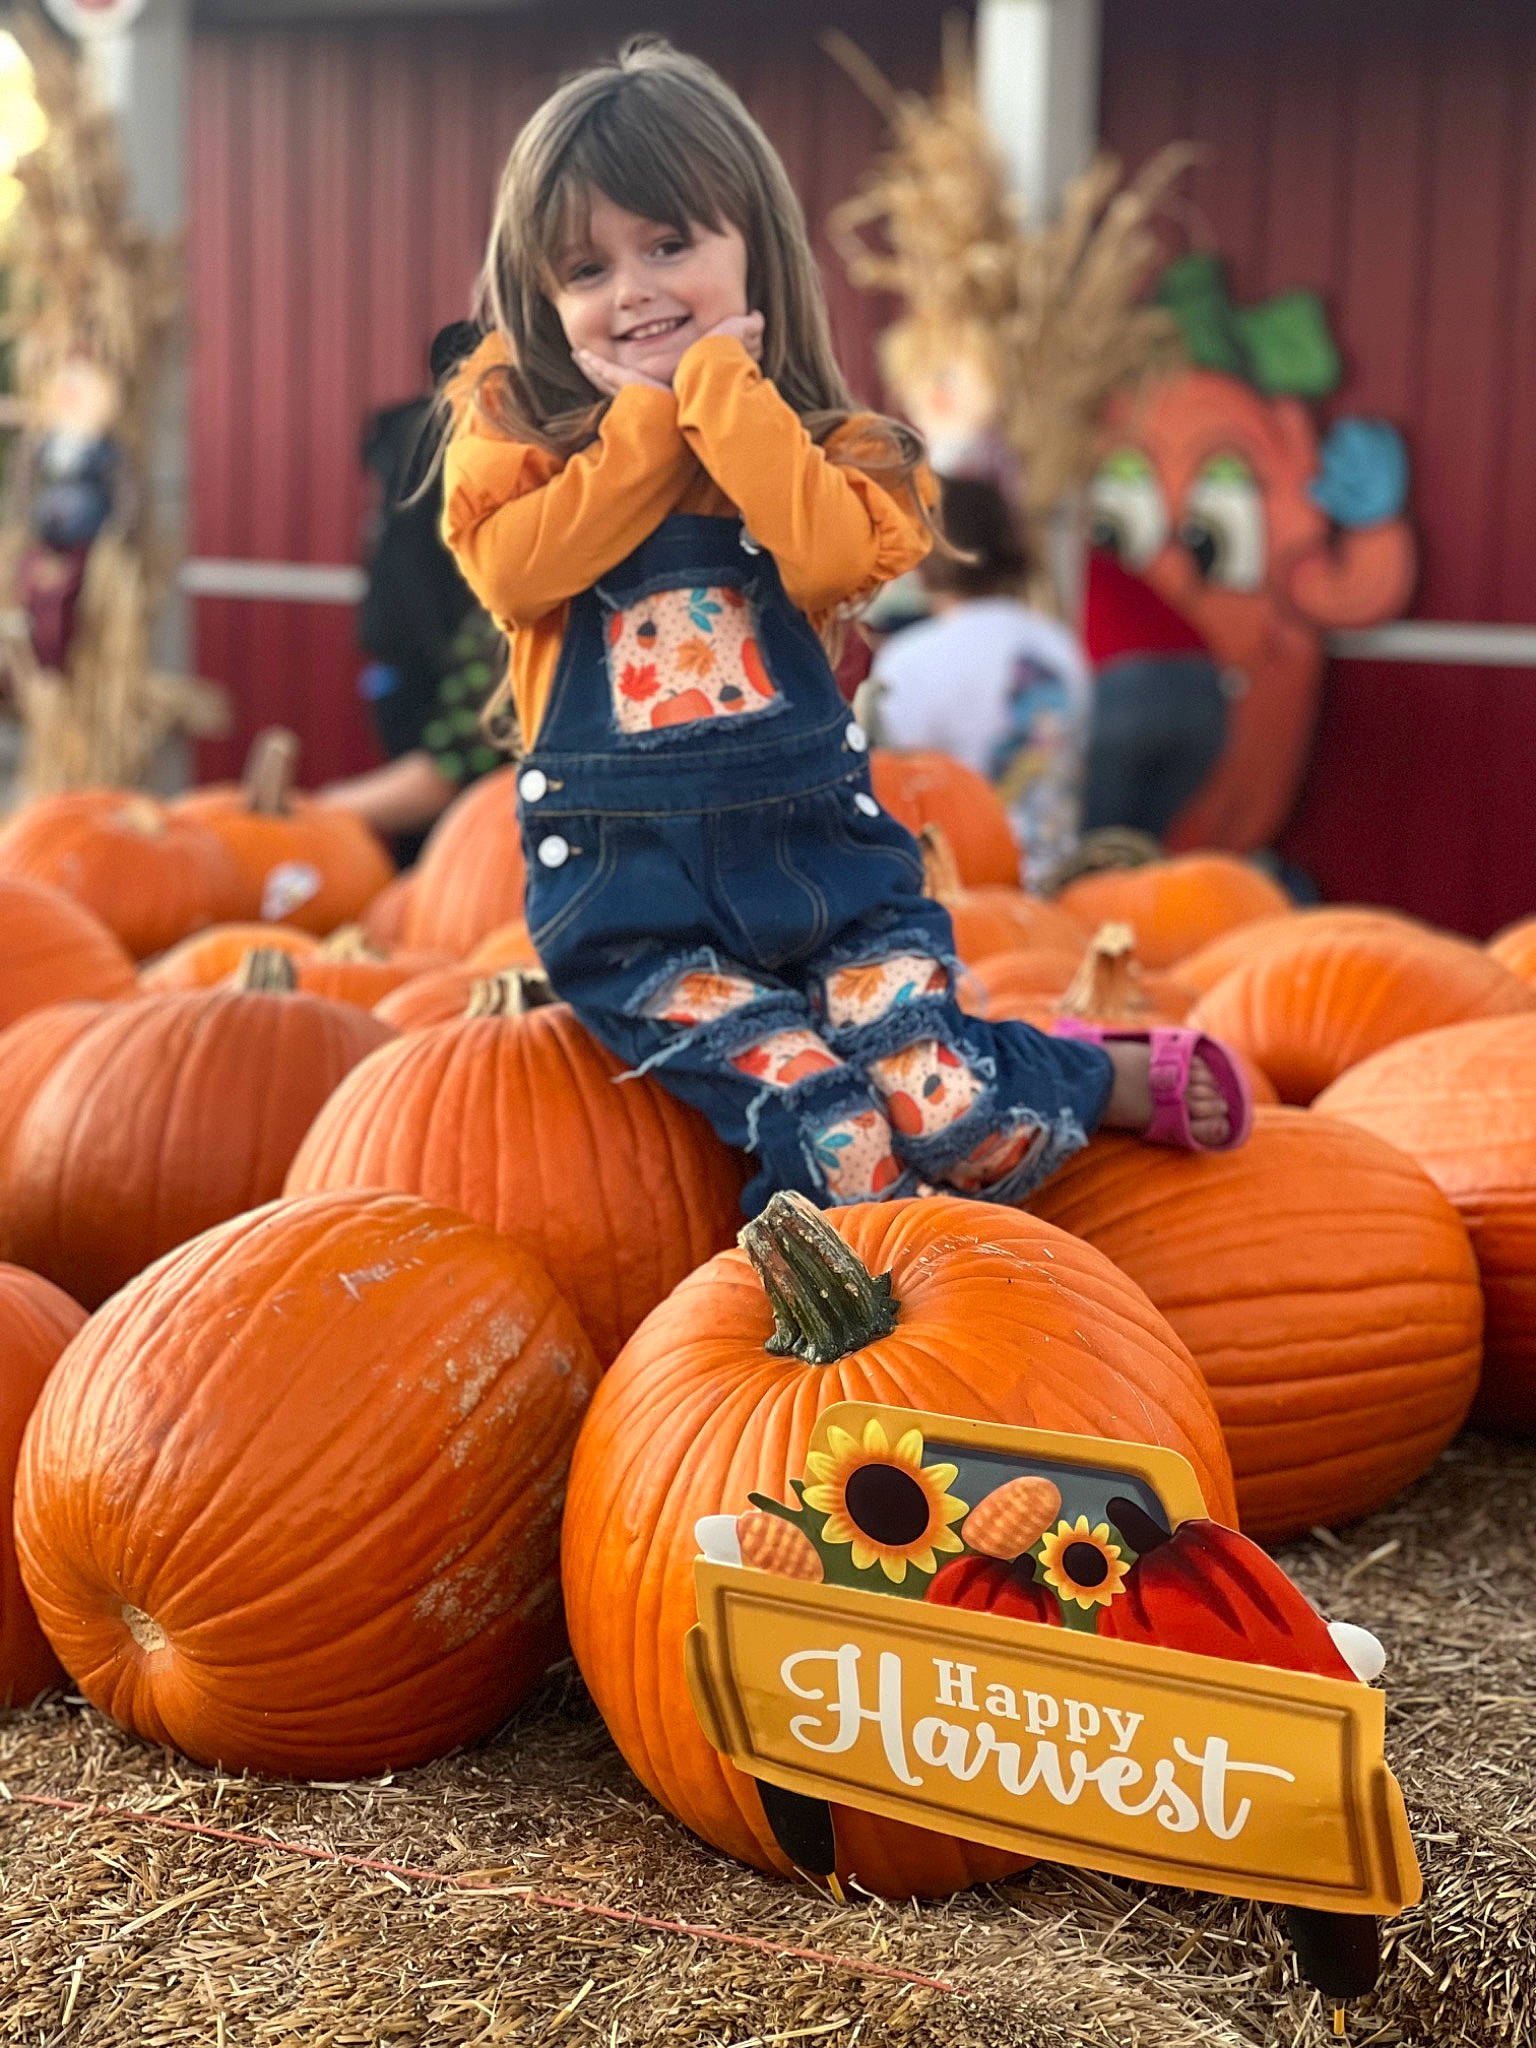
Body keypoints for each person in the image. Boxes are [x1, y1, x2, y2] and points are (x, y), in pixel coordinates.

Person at [440, 38, 1248, 1216]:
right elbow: (522, 575)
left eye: (670, 244)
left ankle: (1085, 1069)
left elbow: (822, 554)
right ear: (540, 294)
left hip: (829, 881)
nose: (634, 290)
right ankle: (827, 1351)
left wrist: (721, 395)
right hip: (639, 916)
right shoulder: (515, 441)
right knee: (839, 1137)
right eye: (587, 268)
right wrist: (651, 428)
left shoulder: (838, 450)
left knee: (956, 1118)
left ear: (753, 248)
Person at [317, 322, 506, 854]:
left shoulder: (409, 439)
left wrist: (314, 813)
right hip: (426, 684)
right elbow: (456, 755)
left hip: (489, 844)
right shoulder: (435, 449)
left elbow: (450, 765)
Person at [870, 476, 1091, 887]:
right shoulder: (1059, 646)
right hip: (1057, 879)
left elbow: (893, 788)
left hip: (956, 885)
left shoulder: (908, 659)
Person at [1078, 546, 1231, 839]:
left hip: (1122, 687)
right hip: (1203, 691)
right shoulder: (1098, 563)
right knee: (1139, 849)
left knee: (1093, 851)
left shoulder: (1036, 572)